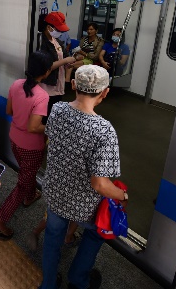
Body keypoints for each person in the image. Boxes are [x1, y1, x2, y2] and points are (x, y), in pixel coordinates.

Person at [41, 65, 127, 289]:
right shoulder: (104, 131)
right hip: (84, 205)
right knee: (95, 235)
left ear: (73, 85)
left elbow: (51, 139)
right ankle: (78, 279)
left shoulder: (58, 109)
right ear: (105, 92)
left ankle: (48, 284)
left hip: (55, 191)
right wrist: (122, 195)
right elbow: (99, 184)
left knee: (52, 236)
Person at [0, 51, 53, 239]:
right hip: (31, 147)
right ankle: (0, 220)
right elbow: (34, 127)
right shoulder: (42, 96)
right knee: (23, 182)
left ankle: (30, 196)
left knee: (27, 173)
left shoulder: (16, 84)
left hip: (14, 139)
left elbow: (9, 110)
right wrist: (51, 127)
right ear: (47, 72)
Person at [38, 12, 79, 116]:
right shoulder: (41, 42)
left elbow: (63, 57)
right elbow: (46, 66)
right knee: (46, 114)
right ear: (49, 27)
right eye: (58, 30)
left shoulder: (57, 41)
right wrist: (64, 61)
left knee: (54, 113)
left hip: (58, 83)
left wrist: (68, 63)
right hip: (47, 86)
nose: (60, 32)